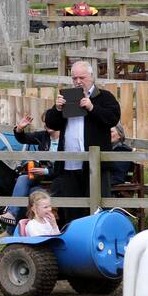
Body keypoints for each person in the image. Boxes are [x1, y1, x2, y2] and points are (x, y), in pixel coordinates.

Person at [43, 59, 121, 225]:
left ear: (91, 77)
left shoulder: (104, 97)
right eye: (74, 78)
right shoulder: (67, 97)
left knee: (96, 208)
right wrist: (57, 109)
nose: (78, 82)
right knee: (72, 209)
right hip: (70, 164)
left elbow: (113, 118)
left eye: (81, 78)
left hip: (94, 166)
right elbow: (51, 123)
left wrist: (92, 108)